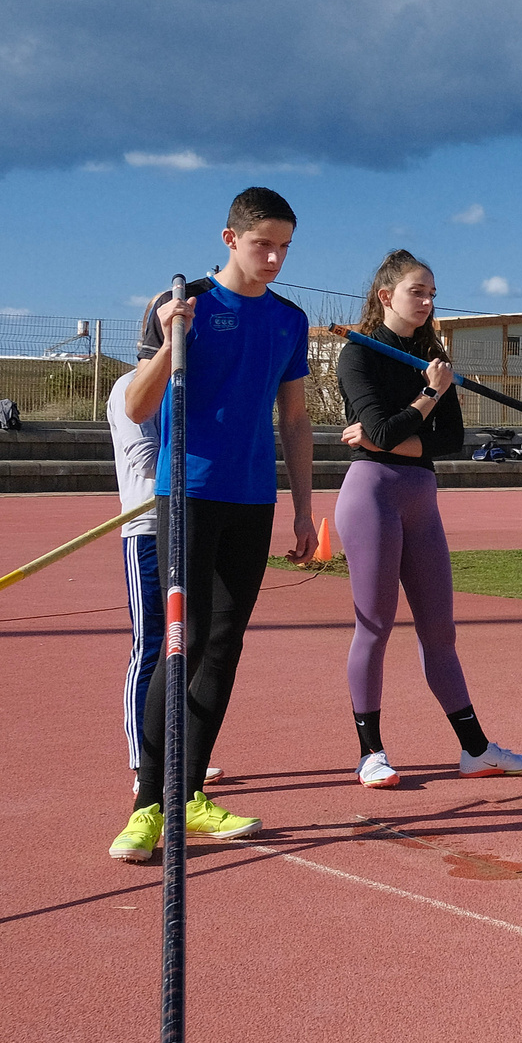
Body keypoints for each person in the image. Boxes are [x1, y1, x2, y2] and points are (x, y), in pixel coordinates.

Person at [108, 187, 316, 861]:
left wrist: (306, 507)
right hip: (188, 493)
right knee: (186, 640)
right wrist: (174, 340)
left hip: (253, 498)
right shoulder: (184, 301)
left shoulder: (289, 320)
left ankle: (189, 794)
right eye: (264, 244)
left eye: (285, 244)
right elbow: (139, 404)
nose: (276, 257)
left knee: (225, 645)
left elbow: (295, 419)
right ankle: (147, 804)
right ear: (230, 238)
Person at [334, 250, 522, 789]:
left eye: (432, 293)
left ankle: (475, 749)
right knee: (375, 626)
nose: (428, 302)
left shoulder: (435, 357)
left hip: (421, 498)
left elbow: (450, 440)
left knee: (440, 632)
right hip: (372, 497)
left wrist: (396, 433)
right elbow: (380, 431)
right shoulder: (359, 357)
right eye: (416, 292)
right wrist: (428, 396)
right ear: (386, 296)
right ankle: (370, 752)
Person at [107, 366, 222, 794]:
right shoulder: (130, 387)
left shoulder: (195, 383)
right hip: (149, 529)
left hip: (193, 526)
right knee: (154, 644)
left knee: (194, 643)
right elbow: (142, 457)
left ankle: (179, 752)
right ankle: (145, 762)